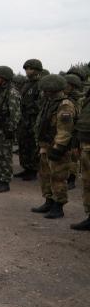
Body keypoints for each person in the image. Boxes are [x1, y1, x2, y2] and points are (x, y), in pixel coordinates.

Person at [31, 75, 77, 219]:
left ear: (53, 90)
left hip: (57, 146)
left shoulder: (65, 104)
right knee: (45, 175)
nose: (44, 92)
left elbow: (65, 129)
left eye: (46, 90)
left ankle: (59, 205)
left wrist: (59, 147)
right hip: (45, 145)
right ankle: (48, 200)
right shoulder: (48, 102)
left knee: (58, 177)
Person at [15, 59, 44, 181]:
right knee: (24, 143)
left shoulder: (41, 84)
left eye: (30, 68)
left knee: (32, 145)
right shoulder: (27, 83)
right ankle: (26, 167)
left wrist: (31, 108)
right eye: (26, 69)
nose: (27, 71)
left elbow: (42, 103)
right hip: (24, 118)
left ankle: (33, 170)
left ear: (37, 70)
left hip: (33, 118)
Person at [71, 78, 90, 231]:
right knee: (87, 183)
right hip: (85, 144)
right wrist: (76, 144)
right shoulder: (87, 98)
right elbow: (80, 122)